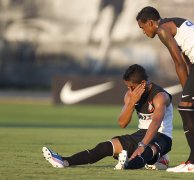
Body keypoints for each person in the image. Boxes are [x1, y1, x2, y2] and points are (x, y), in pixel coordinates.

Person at [136, 6, 194, 173]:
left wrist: (187, 92)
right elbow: (187, 59)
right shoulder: (173, 23)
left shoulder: (163, 30)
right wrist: (190, 90)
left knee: (185, 107)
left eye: (142, 27)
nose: (143, 32)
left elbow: (179, 63)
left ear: (150, 23)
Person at [42, 64, 173, 170]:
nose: (129, 90)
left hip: (161, 135)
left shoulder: (160, 96)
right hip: (141, 134)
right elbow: (122, 123)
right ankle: (64, 161)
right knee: (105, 147)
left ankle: (130, 164)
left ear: (143, 83)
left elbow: (156, 122)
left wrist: (142, 145)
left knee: (145, 152)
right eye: (127, 87)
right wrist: (131, 103)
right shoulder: (130, 95)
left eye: (132, 87)